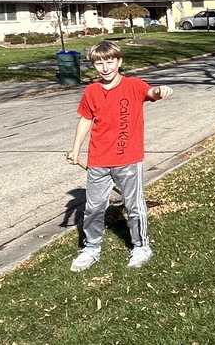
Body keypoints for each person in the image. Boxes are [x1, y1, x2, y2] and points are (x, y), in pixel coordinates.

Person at [67, 40, 173, 272]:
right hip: (98, 159)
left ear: (119, 61)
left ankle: (141, 246)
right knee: (94, 207)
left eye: (110, 62)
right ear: (93, 65)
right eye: (99, 63)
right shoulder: (91, 91)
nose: (105, 68)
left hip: (128, 159)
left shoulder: (133, 85)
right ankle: (91, 248)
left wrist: (160, 91)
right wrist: (76, 149)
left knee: (134, 205)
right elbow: (86, 119)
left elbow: (151, 93)